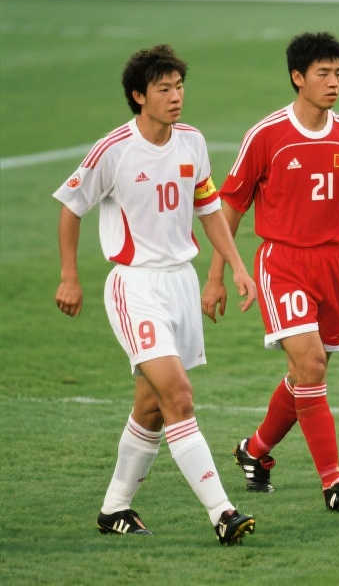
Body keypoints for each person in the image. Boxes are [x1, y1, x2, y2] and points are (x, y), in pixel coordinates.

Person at [53, 44, 258, 544]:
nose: (175, 96)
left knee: (150, 404)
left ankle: (114, 509)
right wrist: (69, 276)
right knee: (178, 396)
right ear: (138, 96)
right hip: (136, 285)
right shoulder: (114, 150)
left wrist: (234, 268)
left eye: (179, 86)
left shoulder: (192, 142)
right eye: (164, 89)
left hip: (180, 284)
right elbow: (71, 207)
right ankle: (223, 512)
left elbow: (209, 208)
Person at [202, 32, 339, 512]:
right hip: (283, 262)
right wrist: (217, 275)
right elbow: (230, 207)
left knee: (307, 372)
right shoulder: (267, 135)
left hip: (334, 264)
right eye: (323, 74)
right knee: (310, 365)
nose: (334, 83)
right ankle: (333, 481)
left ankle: (254, 450)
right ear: (297, 77)